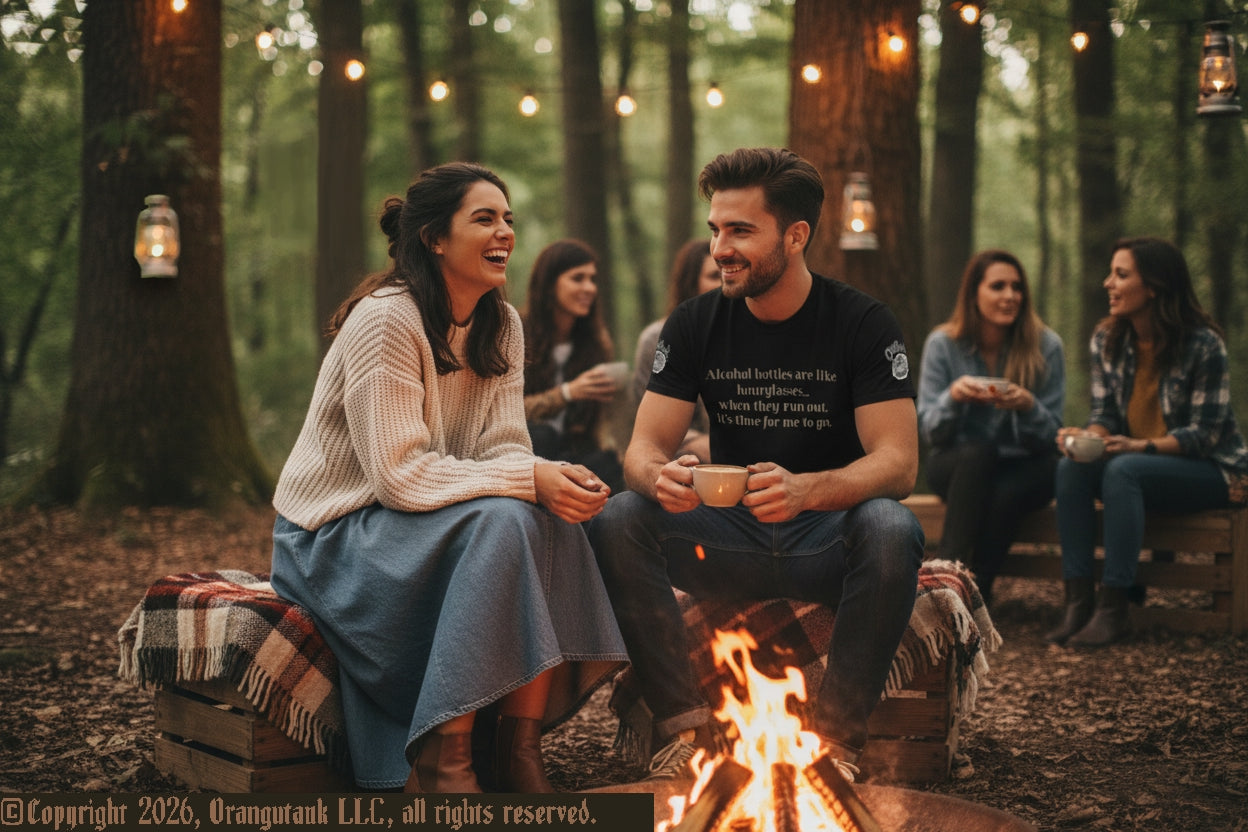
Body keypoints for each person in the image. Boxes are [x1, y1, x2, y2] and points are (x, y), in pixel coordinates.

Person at [269, 163, 628, 793]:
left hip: (421, 519)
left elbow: (506, 451)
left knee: (547, 514)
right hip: (335, 534)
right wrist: (528, 477)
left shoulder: (502, 324)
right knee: (510, 513)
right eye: (484, 218)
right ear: (435, 238)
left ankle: (517, 750)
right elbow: (398, 478)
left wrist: (543, 478)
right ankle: (445, 759)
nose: (505, 233)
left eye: (508, 219)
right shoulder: (387, 319)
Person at [588, 147, 924, 782]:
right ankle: (682, 731)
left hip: (827, 539)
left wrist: (809, 491)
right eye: (716, 229)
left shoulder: (863, 322)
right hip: (728, 535)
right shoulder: (692, 324)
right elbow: (640, 449)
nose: (720, 248)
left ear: (795, 236)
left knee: (891, 526)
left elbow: (899, 465)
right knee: (621, 514)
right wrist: (658, 475)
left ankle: (834, 750)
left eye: (740, 230)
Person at [1048, 237, 1248, 647]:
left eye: (1121, 275)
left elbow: (1205, 434)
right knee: (1072, 467)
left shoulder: (1204, 344)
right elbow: (1105, 416)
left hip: (1215, 470)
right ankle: (1078, 602)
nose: (1108, 283)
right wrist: (1087, 438)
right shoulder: (1107, 339)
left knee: (1123, 469)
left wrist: (1139, 447)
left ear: (1153, 286)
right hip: (1138, 465)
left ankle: (1114, 608)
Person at [917, 250, 1065, 606]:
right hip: (958, 464)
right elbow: (929, 432)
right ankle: (946, 577)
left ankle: (971, 590)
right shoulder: (943, 344)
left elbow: (1053, 436)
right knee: (978, 456)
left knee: (1008, 488)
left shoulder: (1047, 346)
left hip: (1022, 468)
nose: (1010, 295)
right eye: (998, 286)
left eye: (1016, 288)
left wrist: (1028, 406)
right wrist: (953, 396)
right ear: (974, 294)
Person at [521, 239, 625, 493]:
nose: (589, 288)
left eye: (592, 279)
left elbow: (600, 423)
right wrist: (568, 393)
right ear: (549, 283)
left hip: (575, 448)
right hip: (526, 448)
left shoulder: (596, 341)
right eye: (578, 278)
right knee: (544, 437)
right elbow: (506, 412)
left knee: (608, 464)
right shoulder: (518, 331)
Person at [631, 239, 722, 460]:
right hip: (679, 455)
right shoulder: (656, 338)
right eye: (713, 276)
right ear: (690, 283)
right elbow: (649, 426)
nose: (724, 281)